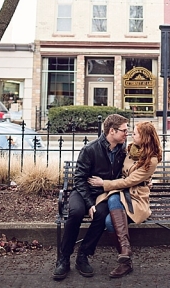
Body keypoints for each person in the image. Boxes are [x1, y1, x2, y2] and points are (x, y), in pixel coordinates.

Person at [53, 113, 128, 281]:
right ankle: (64, 259)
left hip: (104, 194)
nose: (126, 133)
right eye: (123, 130)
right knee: (76, 213)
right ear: (112, 131)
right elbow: (79, 179)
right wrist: (88, 204)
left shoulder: (123, 151)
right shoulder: (90, 149)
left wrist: (147, 181)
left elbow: (136, 169)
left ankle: (83, 256)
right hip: (82, 192)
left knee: (102, 214)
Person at [87, 121, 163, 278]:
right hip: (120, 192)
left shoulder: (152, 159)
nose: (131, 135)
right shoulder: (130, 150)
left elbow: (130, 181)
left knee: (109, 221)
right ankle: (126, 253)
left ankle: (125, 260)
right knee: (114, 197)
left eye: (135, 133)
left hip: (135, 197)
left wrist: (104, 184)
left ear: (145, 138)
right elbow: (120, 172)